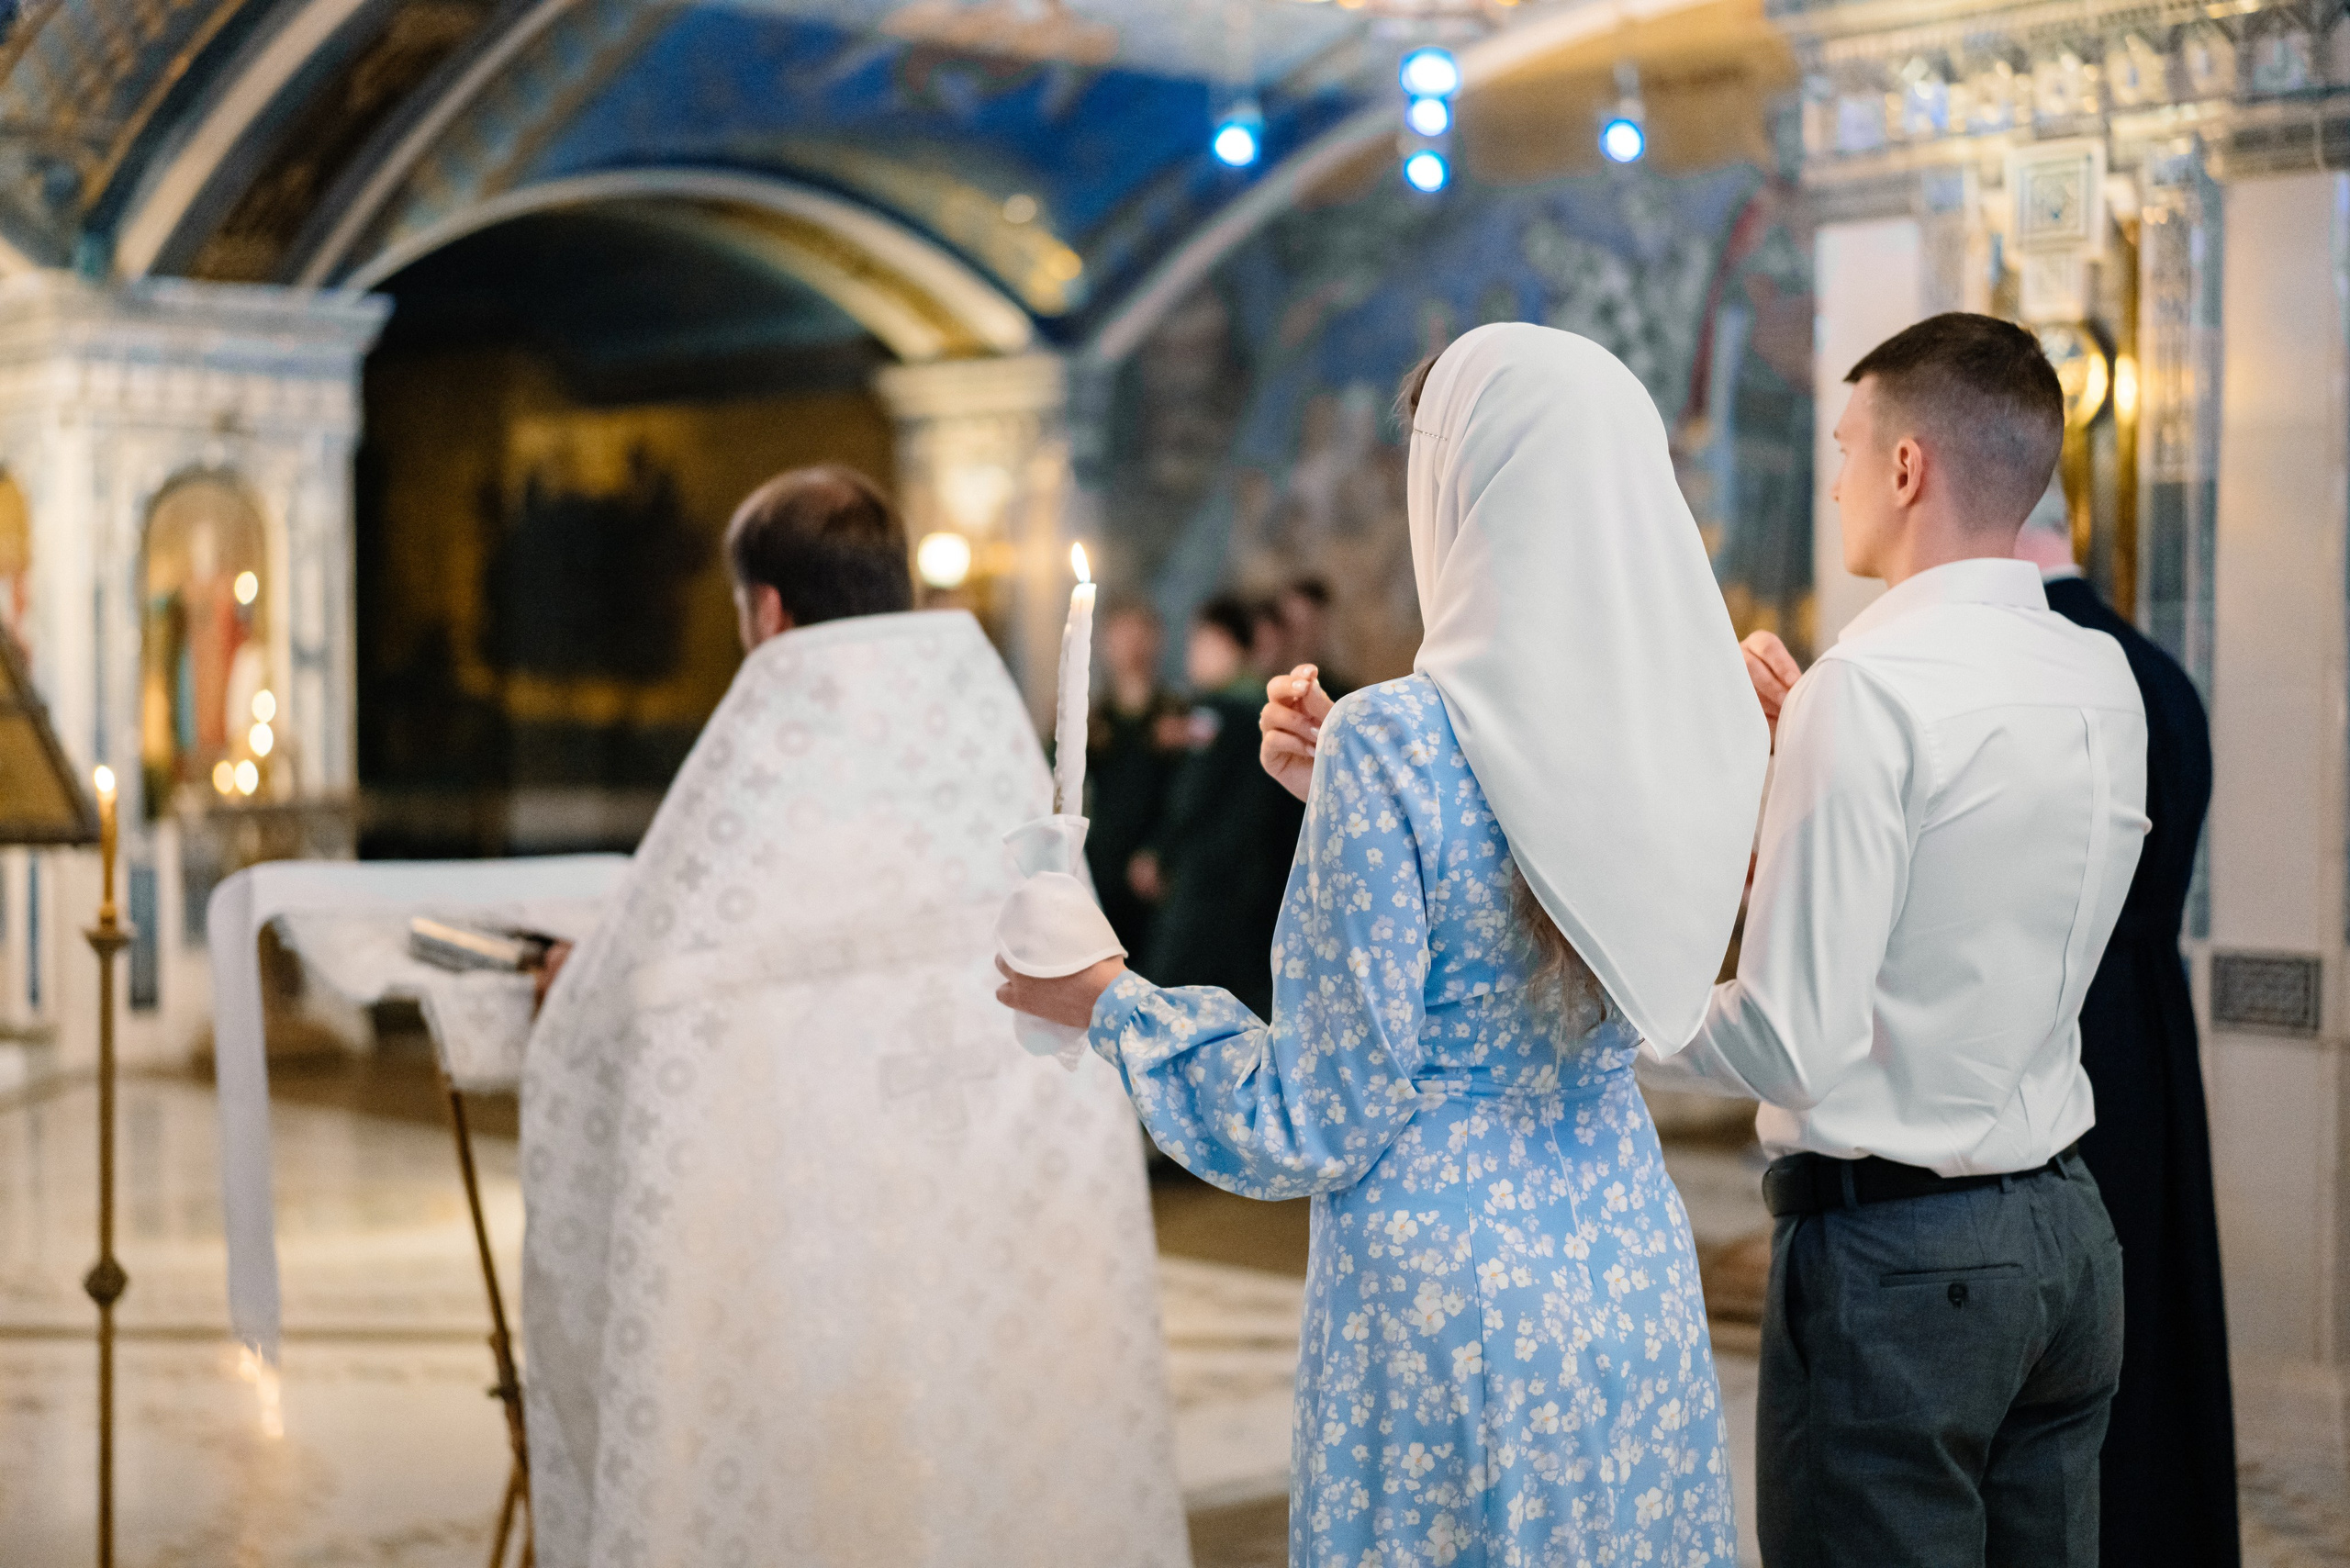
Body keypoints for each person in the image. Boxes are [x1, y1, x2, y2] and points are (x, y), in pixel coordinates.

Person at [1001, 323, 1770, 1564]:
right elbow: (1551, 883)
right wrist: (1350, 798)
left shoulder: (1402, 743)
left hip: (1444, 1304)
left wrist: (1107, 999)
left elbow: (1312, 1116)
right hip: (1626, 1267)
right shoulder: (1696, 732)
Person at [521, 465, 1187, 1567]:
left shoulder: (766, 752)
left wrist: (575, 986)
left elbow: (647, 995)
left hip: (807, 1251)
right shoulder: (977, 744)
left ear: (767, 610)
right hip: (978, 1227)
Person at [1650, 314, 2147, 1566]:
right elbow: (1969, 893)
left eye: (1843, 446)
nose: (1834, 479)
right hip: (2068, 1237)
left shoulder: (1864, 690)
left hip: (1905, 1262)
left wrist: (1615, 1011)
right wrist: (1808, 752)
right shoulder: (2102, 677)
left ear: (1908, 467)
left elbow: (1787, 1036)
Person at [2014, 485, 2237, 1567]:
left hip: (2062, 1021)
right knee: (2158, 1322)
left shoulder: (2039, 675)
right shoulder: (2160, 676)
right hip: (2153, 1024)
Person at [1140, 593, 1305, 1016]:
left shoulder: (1214, 710)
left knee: (1170, 997)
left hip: (1207, 879)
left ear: (1225, 643)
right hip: (1255, 877)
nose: (1192, 655)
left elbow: (1192, 793)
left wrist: (1160, 850)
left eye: (1199, 642)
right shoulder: (1263, 709)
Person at [1084, 598, 1185, 956]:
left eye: (1141, 634)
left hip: (1160, 874)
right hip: (1101, 868)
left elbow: (1190, 796)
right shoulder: (1090, 721)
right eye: (1122, 635)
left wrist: (1160, 850)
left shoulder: (1179, 717)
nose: (1132, 646)